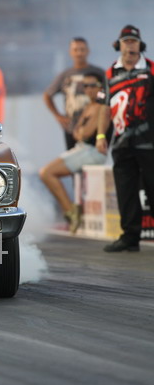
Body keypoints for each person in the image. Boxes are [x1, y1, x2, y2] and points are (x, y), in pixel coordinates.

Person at [97, 25, 154, 252]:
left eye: (133, 41)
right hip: (121, 143)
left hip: (150, 142)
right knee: (126, 191)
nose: (130, 45)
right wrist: (101, 135)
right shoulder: (110, 73)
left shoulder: (151, 69)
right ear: (118, 45)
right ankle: (130, 237)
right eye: (126, 41)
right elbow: (104, 108)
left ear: (140, 45)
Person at [40, 74, 109, 233]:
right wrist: (81, 131)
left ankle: (71, 212)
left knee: (47, 173)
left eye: (92, 85)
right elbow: (77, 133)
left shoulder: (102, 106)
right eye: (85, 86)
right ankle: (71, 211)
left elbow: (85, 133)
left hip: (92, 151)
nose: (88, 89)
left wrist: (81, 131)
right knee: (45, 173)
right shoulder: (89, 106)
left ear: (100, 87)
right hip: (82, 148)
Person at [44, 37, 105, 150]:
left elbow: (108, 95)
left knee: (91, 158)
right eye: (76, 50)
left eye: (82, 49)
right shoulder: (65, 75)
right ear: (70, 52)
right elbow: (47, 95)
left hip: (94, 126)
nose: (79, 53)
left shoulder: (98, 73)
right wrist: (58, 116)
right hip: (72, 127)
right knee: (72, 158)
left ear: (88, 51)